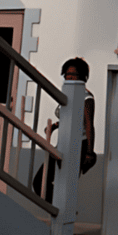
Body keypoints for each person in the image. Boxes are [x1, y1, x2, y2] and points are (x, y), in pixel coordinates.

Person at [34, 57, 96, 200]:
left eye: (74, 74)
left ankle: (63, 210)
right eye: (67, 74)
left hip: (78, 145)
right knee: (39, 182)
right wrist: (54, 126)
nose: (70, 77)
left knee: (67, 184)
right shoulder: (68, 94)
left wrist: (89, 152)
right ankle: (59, 207)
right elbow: (69, 118)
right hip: (63, 143)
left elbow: (88, 125)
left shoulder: (87, 98)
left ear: (83, 77)